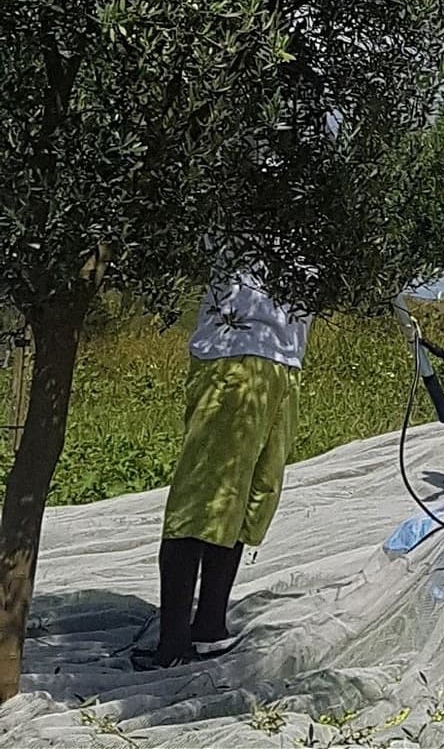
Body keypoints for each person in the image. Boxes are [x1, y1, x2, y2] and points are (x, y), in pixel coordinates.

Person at [141, 271, 310, 670]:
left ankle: (210, 625)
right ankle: (172, 644)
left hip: (284, 360)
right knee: (202, 499)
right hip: (232, 354)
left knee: (252, 495)